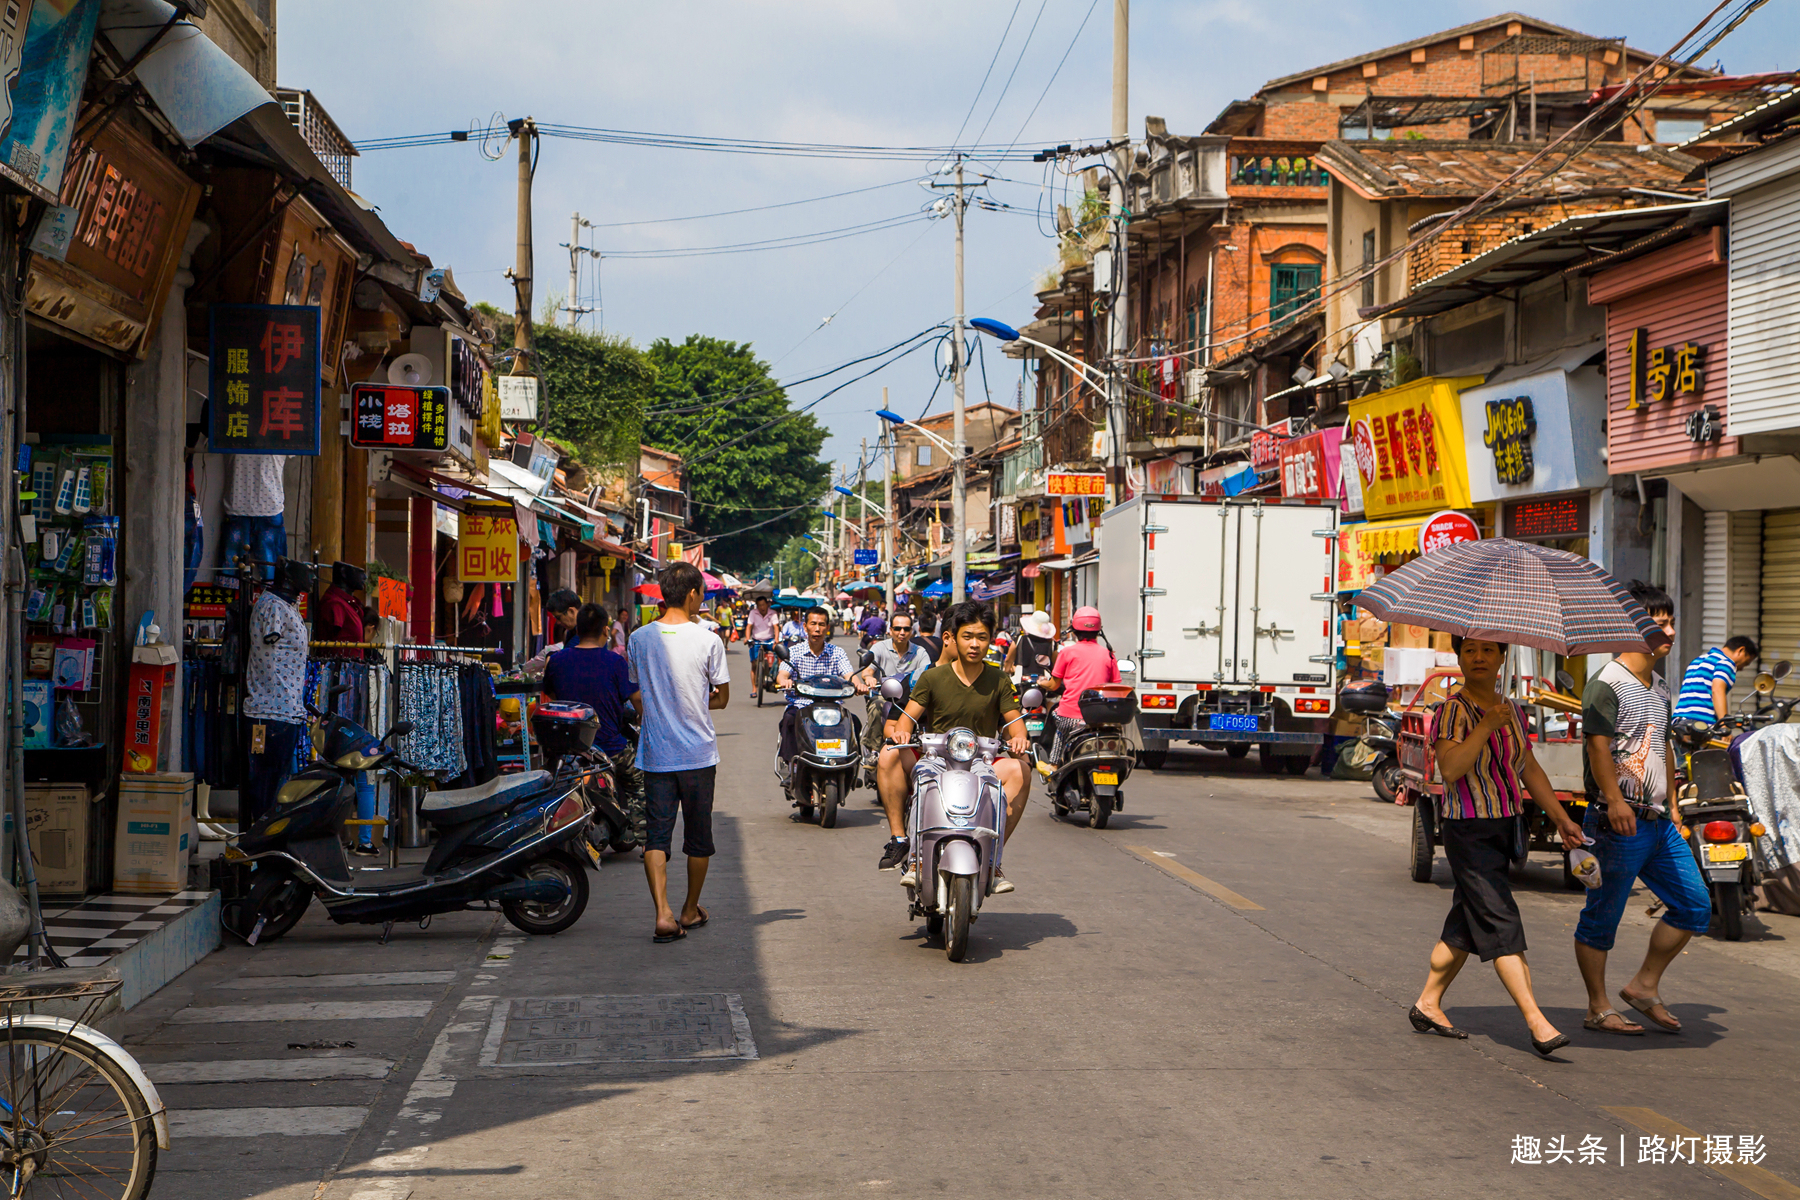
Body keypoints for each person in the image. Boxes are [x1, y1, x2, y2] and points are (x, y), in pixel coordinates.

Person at [1409, 636, 1585, 1057]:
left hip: (1504, 827)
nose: (1479, 657)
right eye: (1470, 650)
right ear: (1460, 658)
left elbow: (1527, 767)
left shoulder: (1510, 710)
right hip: (1468, 830)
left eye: (1489, 650)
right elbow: (1450, 768)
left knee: (1466, 923)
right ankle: (1536, 1022)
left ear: (1503, 656)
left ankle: (1427, 1003)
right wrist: (1486, 725)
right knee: (1502, 922)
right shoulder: (1453, 710)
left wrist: (1561, 819)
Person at [1574, 581, 1713, 1036]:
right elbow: (1598, 748)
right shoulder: (1605, 684)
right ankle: (1598, 1006)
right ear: (1631, 625)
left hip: (1658, 823)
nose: (1670, 630)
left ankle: (1643, 986)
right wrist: (1614, 800)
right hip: (1618, 822)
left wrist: (1673, 803)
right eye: (1660, 621)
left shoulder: (1660, 685)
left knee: (1693, 906)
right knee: (1602, 918)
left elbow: (1664, 747)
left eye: (1672, 621)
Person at [875, 600, 1031, 892]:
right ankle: (913, 860)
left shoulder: (999, 679)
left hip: (981, 760)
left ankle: (992, 861)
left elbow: (1015, 723)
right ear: (952, 638)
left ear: (990, 641)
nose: (975, 644)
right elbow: (908, 718)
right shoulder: (931, 677)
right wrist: (901, 735)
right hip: (937, 757)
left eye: (982, 637)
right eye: (968, 637)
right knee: (916, 779)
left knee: (1021, 771)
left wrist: (1019, 738)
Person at [629, 562, 730, 943]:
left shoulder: (639, 639)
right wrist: (697, 701)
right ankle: (690, 908)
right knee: (698, 838)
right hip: (698, 755)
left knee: (657, 837)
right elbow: (721, 697)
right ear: (692, 594)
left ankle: (663, 914)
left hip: (656, 754)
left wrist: (659, 708)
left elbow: (637, 693)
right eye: (702, 593)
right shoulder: (709, 639)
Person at [543, 603, 644, 850]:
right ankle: (647, 842)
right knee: (641, 784)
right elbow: (637, 700)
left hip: (569, 752)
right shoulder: (615, 662)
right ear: (605, 631)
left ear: (577, 628)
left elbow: (552, 695)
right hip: (611, 749)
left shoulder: (556, 661)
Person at [242, 558, 315, 829]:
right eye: (304, 573)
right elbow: (269, 642)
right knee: (265, 788)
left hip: (285, 711)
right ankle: (259, 849)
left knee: (275, 786)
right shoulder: (273, 607)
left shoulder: (285, 606)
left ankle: (265, 847)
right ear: (287, 577)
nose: (309, 578)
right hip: (269, 711)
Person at [315, 562, 382, 855]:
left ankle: (364, 839)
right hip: (338, 687)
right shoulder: (333, 604)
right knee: (340, 764)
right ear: (344, 575)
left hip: (354, 686)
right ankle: (334, 837)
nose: (363, 577)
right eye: (357, 572)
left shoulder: (350, 604)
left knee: (362, 763)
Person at [775, 608, 866, 778]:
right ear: (805, 627)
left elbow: (850, 675)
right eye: (813, 624)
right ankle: (791, 766)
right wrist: (785, 681)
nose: (817, 629)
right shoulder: (794, 651)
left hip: (833, 707)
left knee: (854, 722)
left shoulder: (836, 652)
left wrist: (858, 685)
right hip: (802, 706)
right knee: (788, 720)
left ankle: (851, 767)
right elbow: (782, 675)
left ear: (827, 627)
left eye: (821, 625)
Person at [1041, 607, 1120, 764]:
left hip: (1071, 717)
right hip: (1099, 719)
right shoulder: (1108, 654)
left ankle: (1054, 764)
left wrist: (1043, 683)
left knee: (1059, 725)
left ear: (1074, 630)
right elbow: (1115, 686)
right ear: (1099, 631)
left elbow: (1054, 685)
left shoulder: (1067, 653)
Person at [855, 610, 933, 767]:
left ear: (912, 631)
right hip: (884, 696)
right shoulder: (879, 648)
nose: (901, 633)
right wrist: (869, 678)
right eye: (897, 629)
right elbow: (867, 671)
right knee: (877, 705)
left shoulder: (920, 652)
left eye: (906, 629)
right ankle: (874, 750)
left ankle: (927, 749)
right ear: (890, 630)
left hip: (910, 699)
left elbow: (928, 674)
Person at [1672, 634, 1759, 740]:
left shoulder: (1697, 660)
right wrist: (1724, 726)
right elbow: (1717, 690)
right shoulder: (1726, 662)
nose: (1741, 669)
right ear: (1741, 650)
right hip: (1701, 726)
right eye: (1745, 663)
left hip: (1679, 724)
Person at [1007, 610, 1060, 684]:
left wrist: (1007, 670)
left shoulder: (1019, 639)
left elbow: (1008, 660)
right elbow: (1056, 665)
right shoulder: (1052, 643)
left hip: (1020, 680)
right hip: (1044, 682)